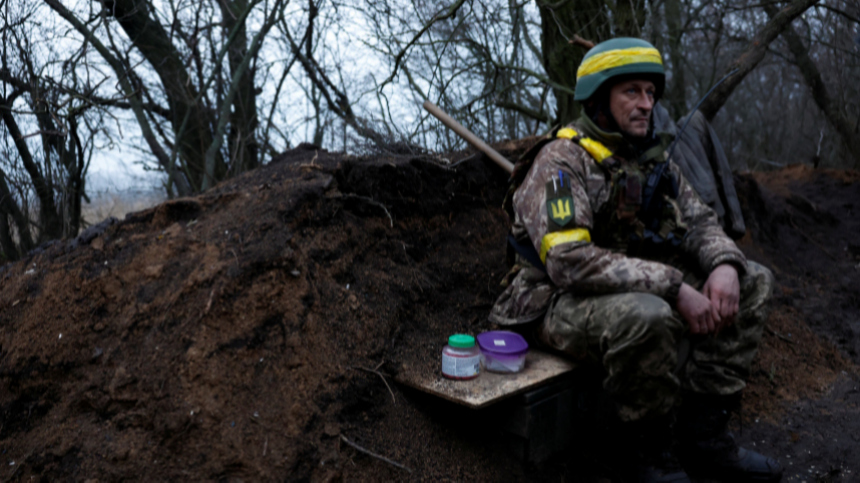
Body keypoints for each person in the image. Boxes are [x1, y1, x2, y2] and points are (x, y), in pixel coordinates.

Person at [489, 38, 783, 483]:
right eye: (632, 92)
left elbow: (701, 222)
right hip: (552, 300)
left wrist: (724, 264)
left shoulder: (650, 160)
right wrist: (672, 285)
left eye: (650, 93)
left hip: (625, 284)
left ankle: (704, 437)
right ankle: (646, 456)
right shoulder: (561, 163)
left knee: (754, 279)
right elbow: (569, 263)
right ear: (599, 98)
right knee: (647, 314)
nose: (646, 104)